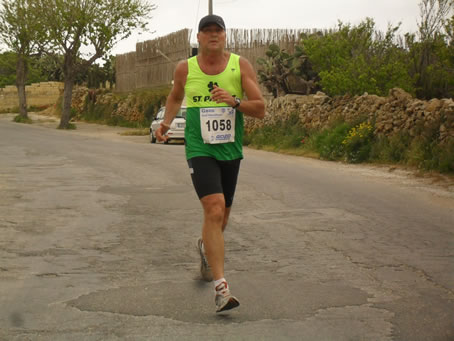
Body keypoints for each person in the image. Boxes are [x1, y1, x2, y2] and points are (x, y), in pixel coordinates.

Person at [155, 14, 265, 313]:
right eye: (207, 31)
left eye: (218, 31)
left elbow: (261, 109)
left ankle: (206, 248)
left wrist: (234, 102)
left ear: (225, 36)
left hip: (230, 149)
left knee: (222, 218)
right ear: (199, 38)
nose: (213, 35)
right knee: (214, 207)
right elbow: (176, 96)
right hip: (198, 147)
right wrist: (165, 123)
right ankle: (221, 289)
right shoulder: (185, 68)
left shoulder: (239, 66)